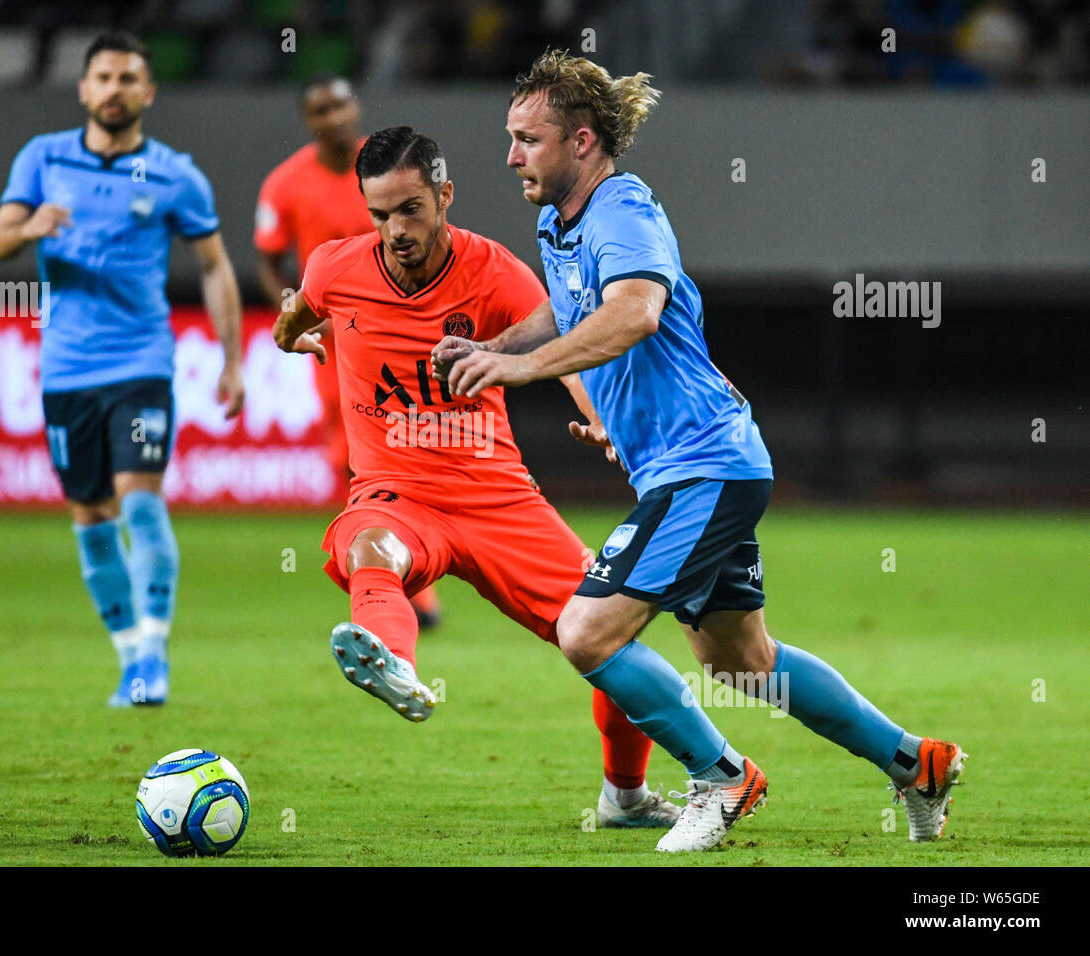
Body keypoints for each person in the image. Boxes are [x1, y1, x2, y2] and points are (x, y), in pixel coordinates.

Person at [440, 49, 966, 852]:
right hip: (693, 464)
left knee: (585, 631)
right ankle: (915, 762)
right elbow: (571, 308)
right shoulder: (560, 220)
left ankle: (720, 777)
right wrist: (494, 347)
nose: (511, 155)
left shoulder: (623, 211)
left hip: (703, 467)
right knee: (743, 659)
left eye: (527, 138)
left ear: (582, 141)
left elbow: (636, 313)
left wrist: (514, 369)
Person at [274, 125, 695, 829]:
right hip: (397, 491)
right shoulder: (335, 268)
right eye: (379, 215)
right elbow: (297, 310)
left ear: (444, 196)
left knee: (608, 640)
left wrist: (597, 416)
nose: (394, 230)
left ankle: (625, 796)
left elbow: (563, 341)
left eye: (410, 209)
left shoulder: (494, 270)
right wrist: (295, 335)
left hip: (498, 497)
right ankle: (394, 663)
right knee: (369, 549)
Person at [0, 31, 245, 707]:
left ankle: (155, 653)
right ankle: (129, 657)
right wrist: (30, 228)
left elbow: (215, 264)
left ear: (148, 93)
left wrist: (232, 359)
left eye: (129, 78)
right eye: (103, 76)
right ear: (84, 88)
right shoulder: (42, 159)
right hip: (66, 370)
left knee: (140, 498)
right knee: (91, 514)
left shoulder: (174, 174)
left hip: (141, 362)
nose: (114, 89)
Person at [256, 74, 442, 629]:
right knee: (353, 458)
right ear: (308, 121)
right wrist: (296, 312)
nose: (333, 117)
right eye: (320, 110)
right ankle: (404, 582)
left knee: (413, 444)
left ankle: (418, 573)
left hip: (404, 331)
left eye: (339, 105)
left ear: (354, 107)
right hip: (338, 343)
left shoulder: (389, 171)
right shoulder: (285, 185)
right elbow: (268, 259)